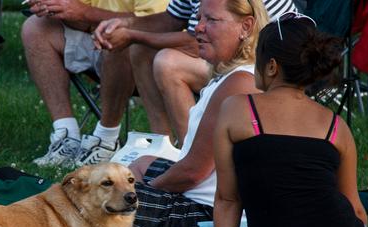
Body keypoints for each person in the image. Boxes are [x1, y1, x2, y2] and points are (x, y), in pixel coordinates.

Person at [213, 14, 368, 227]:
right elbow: (356, 211)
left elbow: (227, 200)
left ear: (271, 67)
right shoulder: (336, 126)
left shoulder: (236, 109)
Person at [119, 0, 268, 227]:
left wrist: (147, 193)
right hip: (204, 203)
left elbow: (192, 172)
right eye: (199, 18)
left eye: (212, 20)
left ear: (246, 27)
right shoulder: (233, 77)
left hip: (209, 220)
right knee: (141, 164)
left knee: (93, 201)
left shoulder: (238, 84)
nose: (198, 27)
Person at [93, 0, 294, 144]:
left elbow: (197, 41)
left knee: (168, 63)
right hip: (236, 58)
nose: (200, 23)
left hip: (271, 70)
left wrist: (132, 34)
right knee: (141, 49)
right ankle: (162, 145)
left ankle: (190, 151)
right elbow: (171, 20)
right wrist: (126, 25)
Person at [21, 0, 168, 167]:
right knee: (35, 27)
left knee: (118, 35)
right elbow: (83, 20)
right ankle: (66, 136)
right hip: (97, 40)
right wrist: (57, 8)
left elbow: (157, 23)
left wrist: (83, 12)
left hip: (149, 56)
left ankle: (106, 140)